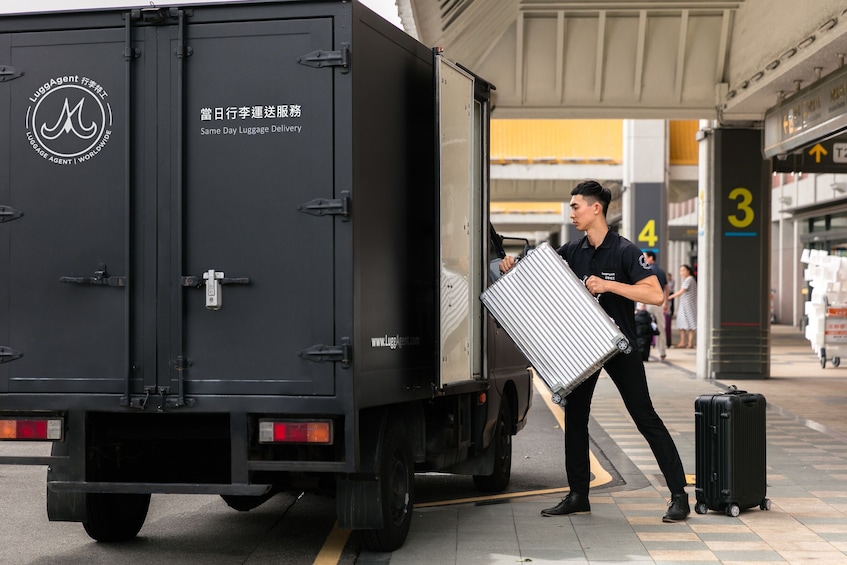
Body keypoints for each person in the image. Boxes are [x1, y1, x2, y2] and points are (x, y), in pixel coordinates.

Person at [502, 180, 689, 523]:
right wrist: (514, 263)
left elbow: (656, 295)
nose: (571, 212)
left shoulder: (625, 251)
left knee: (644, 417)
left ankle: (679, 496)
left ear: (595, 208)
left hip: (620, 346)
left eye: (575, 206)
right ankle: (578, 495)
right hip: (585, 350)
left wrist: (607, 285)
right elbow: (538, 273)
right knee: (575, 417)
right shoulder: (573, 251)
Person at [642, 251, 668, 361]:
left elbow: (644, 287)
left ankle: (643, 350)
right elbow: (666, 288)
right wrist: (666, 302)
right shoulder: (661, 271)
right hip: (659, 303)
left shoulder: (647, 269)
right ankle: (662, 352)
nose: (643, 259)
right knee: (661, 327)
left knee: (643, 327)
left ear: (651, 258)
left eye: (644, 257)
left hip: (648, 301)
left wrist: (642, 303)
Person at [669, 264, 697, 348]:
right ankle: (684, 342)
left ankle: (688, 343)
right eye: (680, 270)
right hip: (687, 305)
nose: (681, 272)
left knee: (689, 324)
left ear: (688, 270)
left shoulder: (689, 279)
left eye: (683, 270)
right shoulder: (689, 279)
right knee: (683, 324)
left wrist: (669, 297)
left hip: (688, 305)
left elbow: (681, 291)